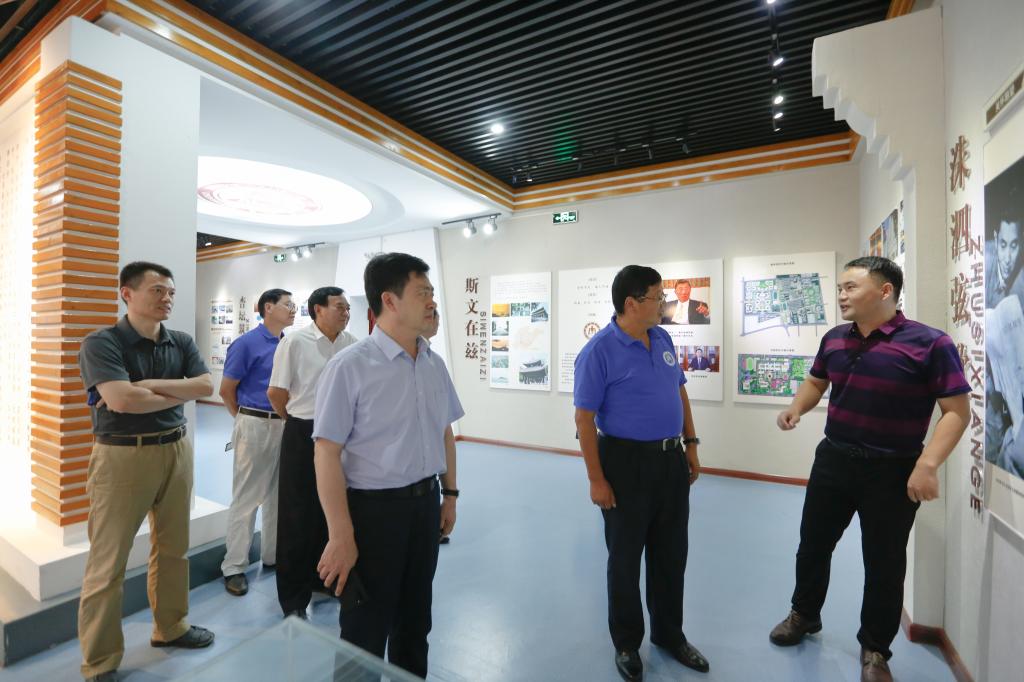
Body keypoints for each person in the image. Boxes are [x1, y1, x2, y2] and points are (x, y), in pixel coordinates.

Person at [769, 257, 970, 682]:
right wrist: (796, 407)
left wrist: (927, 464)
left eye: (850, 287)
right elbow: (817, 381)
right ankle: (804, 614)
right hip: (834, 460)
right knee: (813, 545)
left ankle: (875, 649)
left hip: (893, 470)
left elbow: (956, 411)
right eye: (840, 288)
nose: (841, 295)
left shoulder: (930, 343)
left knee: (884, 562)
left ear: (885, 291)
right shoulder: (835, 339)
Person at [313, 253, 463, 678]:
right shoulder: (350, 366)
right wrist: (340, 534)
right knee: (364, 629)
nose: (432, 302)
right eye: (422, 293)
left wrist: (450, 494)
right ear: (390, 300)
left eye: (432, 292)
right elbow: (326, 453)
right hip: (373, 513)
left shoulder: (433, 363)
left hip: (424, 507)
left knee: (416, 622)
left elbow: (444, 432)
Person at [77, 262, 215, 682]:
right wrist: (171, 391)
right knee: (108, 563)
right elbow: (121, 402)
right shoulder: (102, 343)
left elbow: (206, 386)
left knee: (174, 548)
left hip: (176, 449)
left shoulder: (180, 341)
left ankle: (170, 627)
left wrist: (144, 386)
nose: (166, 298)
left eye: (170, 291)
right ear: (127, 293)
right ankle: (100, 661)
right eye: (157, 290)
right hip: (122, 456)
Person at [574, 265, 708, 682]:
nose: (663, 304)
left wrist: (690, 442)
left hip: (670, 461)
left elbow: (679, 390)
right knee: (625, 558)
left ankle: (669, 635)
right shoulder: (599, 351)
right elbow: (584, 420)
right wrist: (596, 479)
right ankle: (627, 643)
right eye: (657, 297)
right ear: (632, 303)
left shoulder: (662, 338)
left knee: (671, 554)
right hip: (624, 464)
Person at [267, 286, 357, 618]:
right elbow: (276, 393)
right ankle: (293, 600)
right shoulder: (295, 342)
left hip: (343, 436)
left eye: (347, 308)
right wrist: (297, 421)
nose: (345, 313)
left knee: (332, 511)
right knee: (296, 516)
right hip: (304, 432)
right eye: (339, 307)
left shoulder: (352, 344)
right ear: (318, 309)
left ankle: (326, 580)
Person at [219, 288, 295, 596]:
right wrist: (245, 419)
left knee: (279, 496)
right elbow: (226, 390)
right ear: (268, 308)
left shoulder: (287, 343)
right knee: (247, 497)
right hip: (255, 423)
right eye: (288, 304)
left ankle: (272, 556)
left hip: (285, 424)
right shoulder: (246, 344)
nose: (293, 309)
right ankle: (234, 566)